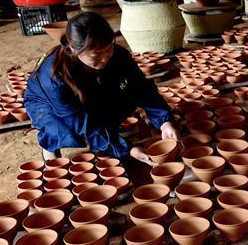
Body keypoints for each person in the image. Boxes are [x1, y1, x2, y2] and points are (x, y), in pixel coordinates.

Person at [24, 11, 177, 166]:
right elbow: (81, 123)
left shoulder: (118, 55)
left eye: (109, 49)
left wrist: (164, 122)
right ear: (74, 49)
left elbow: (142, 88)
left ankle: (108, 137)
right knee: (62, 127)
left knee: (124, 95)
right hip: (46, 104)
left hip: (88, 92)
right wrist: (128, 149)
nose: (105, 58)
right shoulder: (54, 78)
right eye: (96, 54)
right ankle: (49, 148)